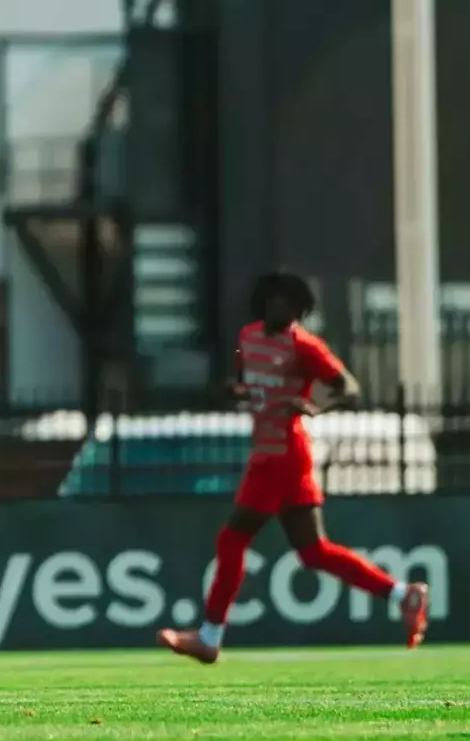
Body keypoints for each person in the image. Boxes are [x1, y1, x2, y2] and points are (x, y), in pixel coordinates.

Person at [158, 271, 430, 663]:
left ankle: (210, 636)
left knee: (232, 540)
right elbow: (247, 383)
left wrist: (315, 407)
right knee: (314, 552)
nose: (284, 309)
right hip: (270, 453)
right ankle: (403, 594)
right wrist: (237, 391)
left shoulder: (304, 346)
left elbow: (350, 389)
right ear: (267, 300)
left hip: (282, 455)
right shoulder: (248, 338)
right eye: (279, 300)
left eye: (293, 305)